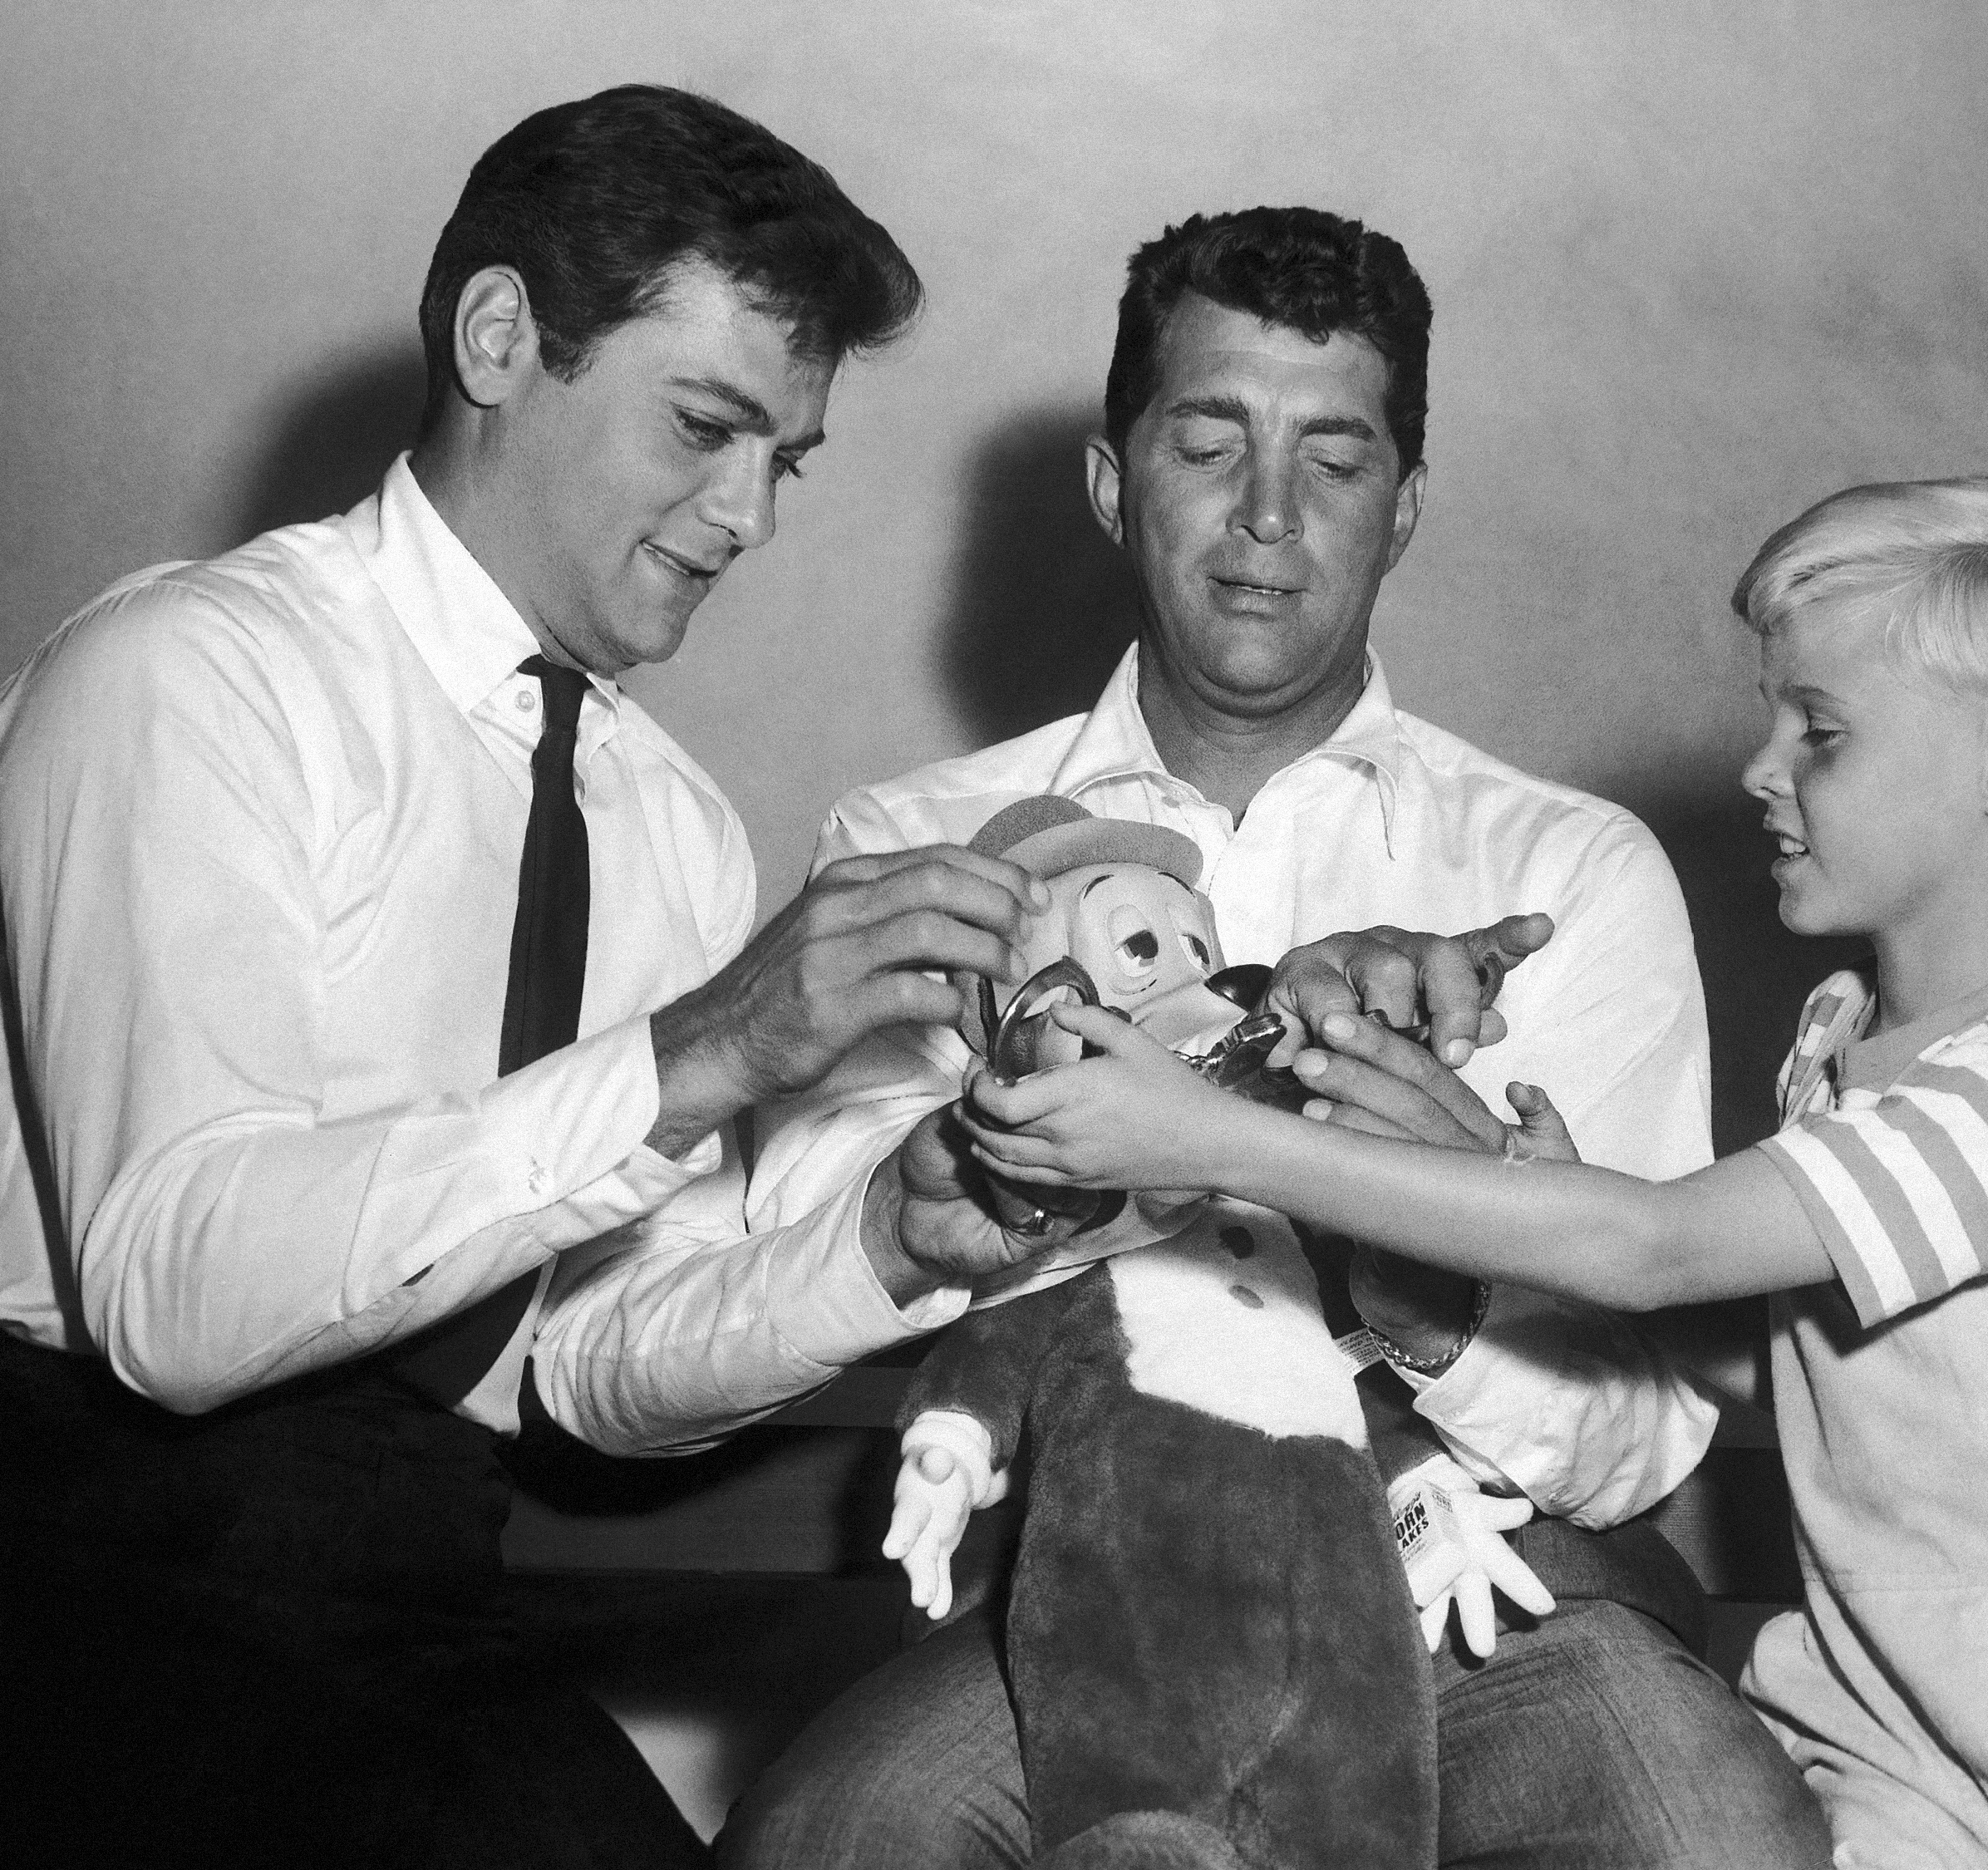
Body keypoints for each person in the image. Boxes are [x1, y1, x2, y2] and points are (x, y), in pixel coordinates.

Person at [0, 85, 1087, 1869]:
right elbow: (171, 1296)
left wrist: (882, 1248)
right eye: (706, 426)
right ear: (502, 337)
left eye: (785, 460)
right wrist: (697, 1054)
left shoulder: (667, 826)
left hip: (390, 1588)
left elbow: (581, 1367)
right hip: (27, 1571)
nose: (749, 514)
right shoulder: (185, 677)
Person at [969, 476, 1988, 1869]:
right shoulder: (1841, 1043)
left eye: (1819, 731)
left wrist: (1214, 1138)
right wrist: (1507, 1186)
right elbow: (1800, 1362)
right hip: (1906, 1712)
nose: (1762, 766)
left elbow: (1658, 1249)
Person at [720, 207, 1828, 1869]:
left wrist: (1429, 1293)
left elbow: (1644, 1436)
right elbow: (815, 1252)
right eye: (1208, 439)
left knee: (1709, 1837)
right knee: (838, 1838)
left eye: (1336, 456)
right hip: (1094, 1596)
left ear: (1405, 510)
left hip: (1494, 1589)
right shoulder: (922, 846)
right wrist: (1120, 1138)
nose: (1267, 518)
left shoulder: (1559, 871)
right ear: (1113, 480)